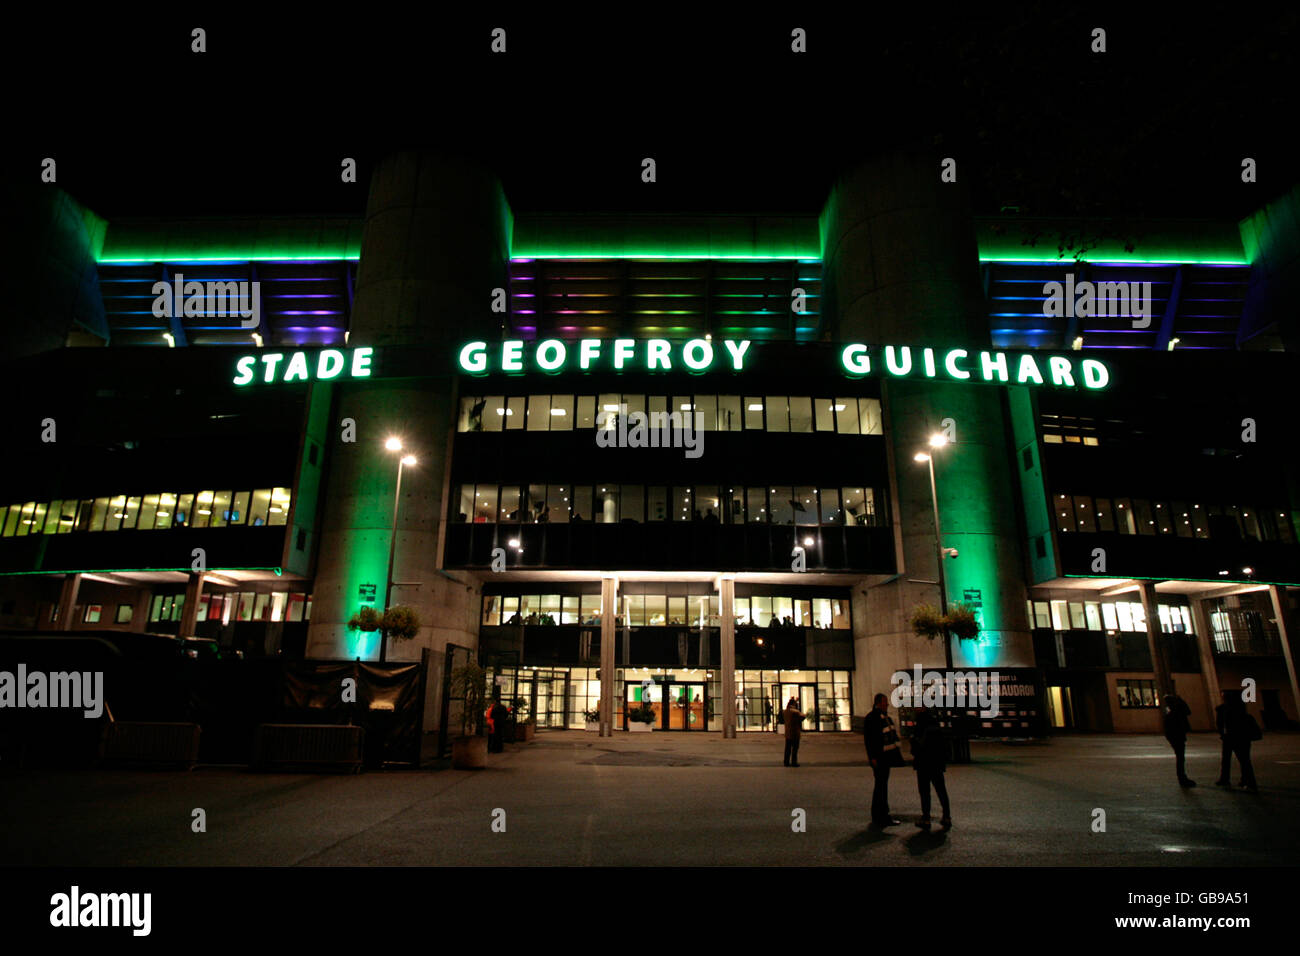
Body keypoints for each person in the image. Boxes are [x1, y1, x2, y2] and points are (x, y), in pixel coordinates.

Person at [864, 693, 902, 825]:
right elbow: (869, 740)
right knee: (881, 786)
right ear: (878, 703)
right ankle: (881, 815)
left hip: (884, 756)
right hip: (880, 757)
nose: (887, 705)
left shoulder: (881, 717)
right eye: (885, 702)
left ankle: (880, 814)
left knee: (881, 785)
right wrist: (872, 757)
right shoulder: (874, 718)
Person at [910, 709, 952, 830]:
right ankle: (947, 816)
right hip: (937, 763)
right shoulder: (935, 724)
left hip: (923, 763)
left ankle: (926, 818)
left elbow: (915, 747)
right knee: (941, 790)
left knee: (924, 792)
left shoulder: (919, 726)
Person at [1215, 691, 1259, 792]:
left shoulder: (1224, 709)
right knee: (1244, 760)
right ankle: (1246, 780)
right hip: (1240, 738)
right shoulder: (1240, 709)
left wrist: (1222, 734)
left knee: (1229, 759)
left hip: (1231, 737)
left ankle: (1227, 779)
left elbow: (1221, 724)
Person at [1163, 689, 1195, 788]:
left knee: (1180, 757)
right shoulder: (1176, 711)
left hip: (1174, 736)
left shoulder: (1169, 711)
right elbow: (1188, 711)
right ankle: (1182, 777)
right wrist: (1181, 701)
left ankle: (1182, 777)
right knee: (1180, 757)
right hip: (1177, 736)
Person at [782, 697, 802, 767]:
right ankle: (794, 762)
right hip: (795, 732)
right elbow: (803, 716)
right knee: (795, 749)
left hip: (788, 733)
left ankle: (786, 762)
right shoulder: (795, 712)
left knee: (787, 748)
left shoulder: (785, 711)